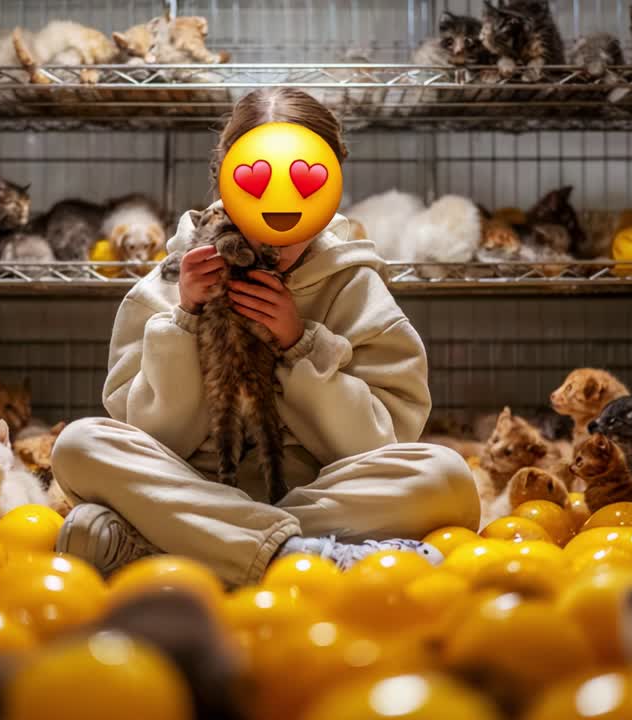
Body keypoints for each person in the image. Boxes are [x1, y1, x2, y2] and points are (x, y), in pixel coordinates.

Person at [53, 88, 479, 586]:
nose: (280, 221)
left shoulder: (353, 284)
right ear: (226, 180)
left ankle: (178, 543)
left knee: (446, 477)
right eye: (259, 188)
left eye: (304, 186)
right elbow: (156, 438)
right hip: (194, 482)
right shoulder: (172, 281)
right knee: (80, 445)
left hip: (309, 491)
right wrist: (185, 318)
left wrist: (300, 346)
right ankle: (296, 553)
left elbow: (377, 443)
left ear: (331, 184)